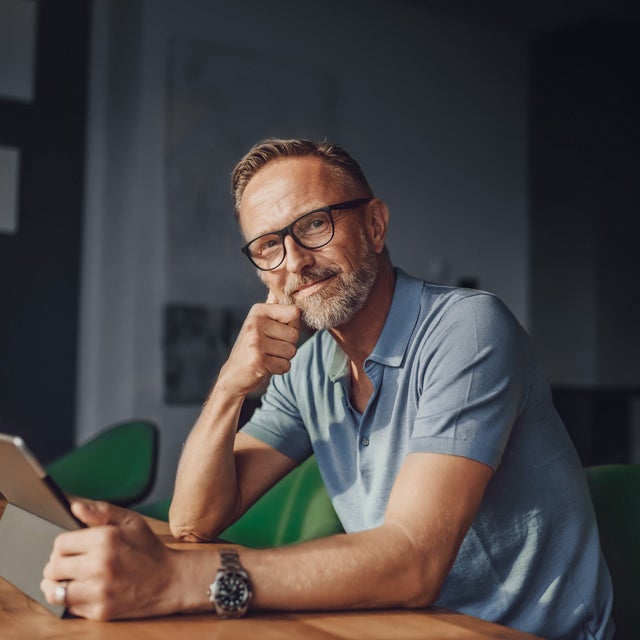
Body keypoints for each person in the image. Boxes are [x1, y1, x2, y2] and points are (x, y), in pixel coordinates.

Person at [41, 138, 614, 638]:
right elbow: (196, 521)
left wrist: (183, 579)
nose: (295, 262)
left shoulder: (468, 328)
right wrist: (228, 388)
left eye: (315, 224)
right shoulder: (312, 366)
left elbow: (414, 560)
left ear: (375, 224)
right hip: (400, 625)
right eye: (268, 245)